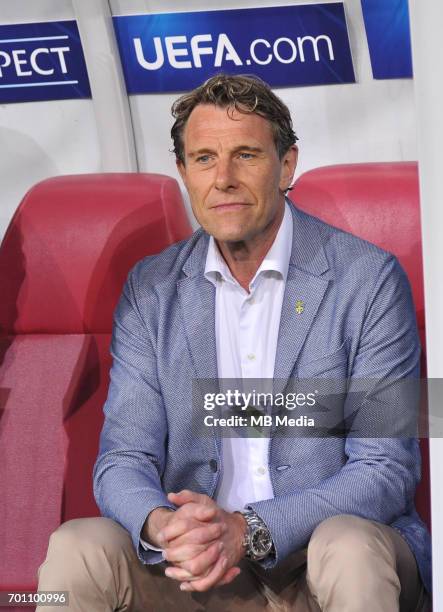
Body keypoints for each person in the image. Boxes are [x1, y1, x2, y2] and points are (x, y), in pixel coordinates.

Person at [37, 74, 431, 611]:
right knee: (76, 550)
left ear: (286, 165)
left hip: (319, 559)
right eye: (203, 159)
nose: (222, 178)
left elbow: (386, 468)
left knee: (350, 545)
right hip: (195, 569)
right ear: (183, 172)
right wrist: (164, 526)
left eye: (245, 155)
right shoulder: (151, 290)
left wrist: (250, 529)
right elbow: (123, 458)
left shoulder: (368, 279)